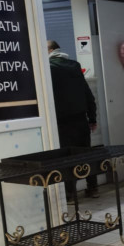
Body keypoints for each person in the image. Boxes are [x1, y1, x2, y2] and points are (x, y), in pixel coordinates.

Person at [47, 40, 99, 202]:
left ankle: (70, 194)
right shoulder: (75, 65)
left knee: (67, 157)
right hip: (81, 119)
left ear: (49, 50)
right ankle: (93, 188)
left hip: (62, 121)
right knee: (85, 154)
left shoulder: (49, 68)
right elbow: (87, 94)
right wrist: (92, 118)